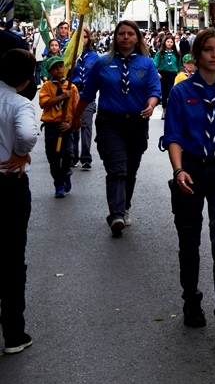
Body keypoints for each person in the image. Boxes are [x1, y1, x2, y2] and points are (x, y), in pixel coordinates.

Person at [163, 28, 215, 343]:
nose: (214, 55)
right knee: (189, 240)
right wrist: (178, 170)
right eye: (208, 49)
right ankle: (191, 297)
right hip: (191, 170)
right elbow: (172, 136)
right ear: (197, 54)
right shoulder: (179, 92)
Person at [72, 20, 161, 237]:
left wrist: (150, 105)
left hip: (137, 123)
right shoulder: (102, 63)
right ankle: (116, 215)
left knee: (131, 169)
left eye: (130, 34)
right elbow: (87, 94)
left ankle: (125, 206)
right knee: (117, 169)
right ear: (115, 37)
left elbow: (154, 90)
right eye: (122, 33)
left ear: (137, 38)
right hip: (110, 123)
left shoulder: (147, 64)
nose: (126, 37)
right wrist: (75, 118)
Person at [0, 49, 38, 355]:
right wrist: (21, 152)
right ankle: (13, 332)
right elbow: (26, 133)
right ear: (26, 81)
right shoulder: (19, 103)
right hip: (7, 184)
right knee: (11, 257)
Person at [39, 57, 78, 198]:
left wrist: (70, 123)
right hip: (52, 126)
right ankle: (59, 184)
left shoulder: (71, 87)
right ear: (50, 71)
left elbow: (76, 109)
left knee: (68, 154)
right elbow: (44, 103)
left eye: (61, 66)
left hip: (66, 126)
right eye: (56, 67)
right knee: (53, 156)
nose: (59, 69)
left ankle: (66, 173)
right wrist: (62, 97)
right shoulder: (47, 87)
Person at [71, 29, 100, 170]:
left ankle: (86, 157)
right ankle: (74, 155)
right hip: (72, 93)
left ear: (89, 39)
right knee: (74, 126)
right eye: (79, 37)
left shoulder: (94, 56)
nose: (83, 40)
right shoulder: (70, 55)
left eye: (85, 37)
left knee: (86, 125)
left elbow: (98, 76)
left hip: (87, 93)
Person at [155, 35, 182, 113]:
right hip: (162, 74)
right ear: (164, 42)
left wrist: (180, 73)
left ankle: (171, 110)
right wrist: (156, 72)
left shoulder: (176, 54)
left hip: (172, 74)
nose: (169, 43)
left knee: (171, 92)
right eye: (168, 42)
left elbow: (179, 64)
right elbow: (155, 63)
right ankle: (164, 110)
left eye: (171, 42)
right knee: (164, 92)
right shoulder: (160, 53)